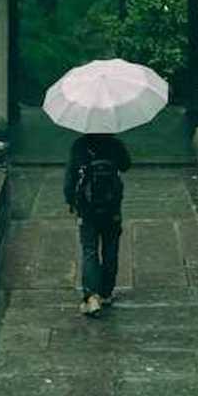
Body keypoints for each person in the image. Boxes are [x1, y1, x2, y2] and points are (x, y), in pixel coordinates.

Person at [64, 132, 132, 316]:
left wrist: (71, 200)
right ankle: (106, 292)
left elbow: (70, 176)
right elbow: (126, 165)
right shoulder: (115, 144)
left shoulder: (80, 145)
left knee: (90, 250)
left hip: (87, 209)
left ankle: (91, 296)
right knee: (111, 248)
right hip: (112, 208)